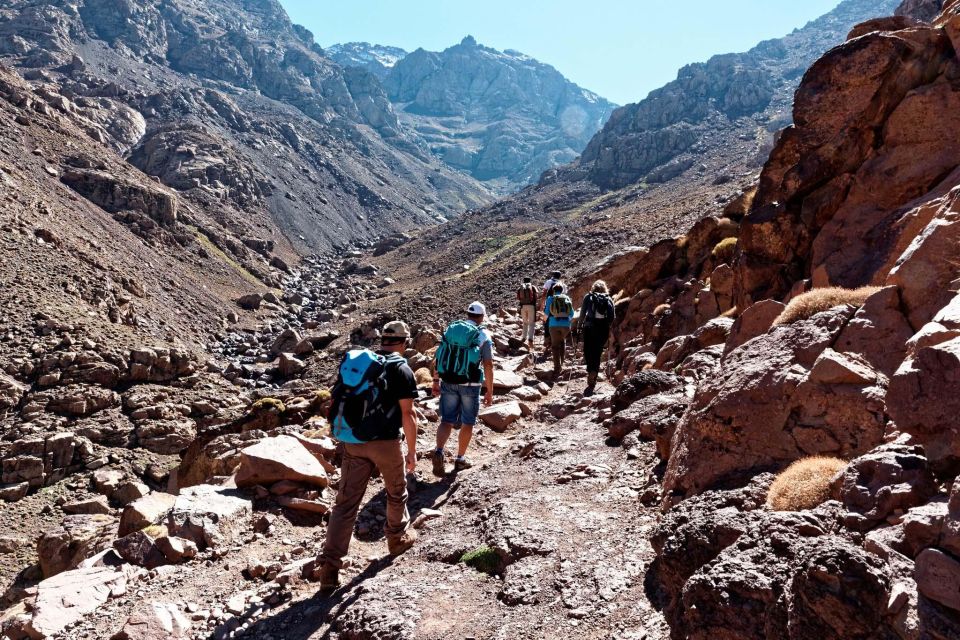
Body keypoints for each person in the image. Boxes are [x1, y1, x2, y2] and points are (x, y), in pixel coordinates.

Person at [317, 321, 419, 593]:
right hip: (385, 442)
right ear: (404, 342)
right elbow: (408, 414)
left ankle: (329, 568)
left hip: (353, 442)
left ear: (383, 340)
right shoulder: (401, 368)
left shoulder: (363, 363)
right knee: (396, 492)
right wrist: (412, 450)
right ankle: (396, 539)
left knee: (345, 505)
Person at [431, 301, 495, 475]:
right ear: (481, 317)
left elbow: (439, 356)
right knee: (468, 422)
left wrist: (436, 380)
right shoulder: (482, 334)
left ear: (467, 314)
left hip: (448, 381)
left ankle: (438, 451)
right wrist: (489, 390)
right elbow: (488, 364)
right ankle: (460, 459)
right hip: (470, 384)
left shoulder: (452, 329)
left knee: (446, 420)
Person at [578, 280, 616, 396]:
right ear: (605, 288)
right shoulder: (608, 298)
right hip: (603, 329)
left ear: (593, 287)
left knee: (588, 351)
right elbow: (612, 316)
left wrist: (579, 326)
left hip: (590, 327)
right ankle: (594, 373)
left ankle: (591, 371)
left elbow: (583, 313)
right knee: (598, 352)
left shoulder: (588, 297)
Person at [544, 283, 575, 377]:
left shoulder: (550, 298)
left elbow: (546, 312)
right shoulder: (567, 298)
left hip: (553, 324)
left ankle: (557, 368)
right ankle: (562, 363)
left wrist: (545, 321)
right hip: (566, 325)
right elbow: (572, 313)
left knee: (555, 346)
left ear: (553, 290)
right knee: (562, 342)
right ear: (562, 290)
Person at [541, 271, 562, 355]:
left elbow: (544, 293)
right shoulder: (561, 284)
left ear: (553, 275)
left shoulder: (548, 282)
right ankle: (557, 344)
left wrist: (542, 303)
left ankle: (547, 343)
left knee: (547, 323)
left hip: (549, 305)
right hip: (559, 308)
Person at [517, 277, 538, 349]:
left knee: (525, 322)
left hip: (523, 306)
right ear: (530, 281)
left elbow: (518, 298)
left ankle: (524, 337)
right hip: (531, 306)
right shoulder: (533, 287)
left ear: (523, 281)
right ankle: (530, 338)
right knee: (531, 323)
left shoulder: (520, 288)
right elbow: (536, 297)